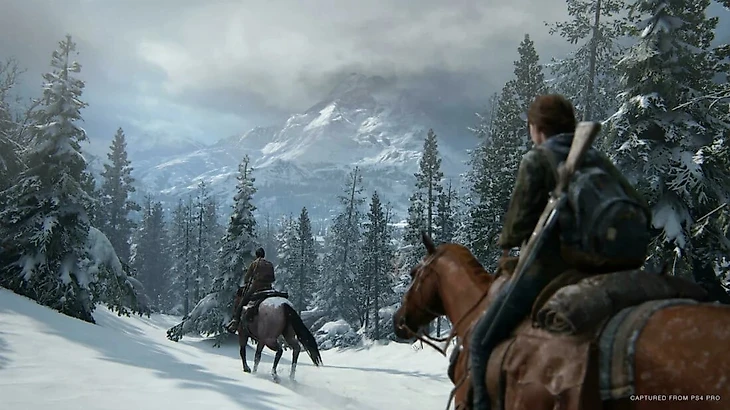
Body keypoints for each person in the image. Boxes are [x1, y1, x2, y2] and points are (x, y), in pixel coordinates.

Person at [468, 94, 650, 410]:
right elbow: (639, 203)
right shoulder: (595, 158)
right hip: (612, 265)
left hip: (554, 268)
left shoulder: (538, 159)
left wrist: (506, 243)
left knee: (480, 340)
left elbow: (518, 226)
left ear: (537, 128)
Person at [225, 247, 276, 333]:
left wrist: (248, 282)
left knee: (243, 301)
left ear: (256, 255)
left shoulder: (254, 263)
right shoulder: (270, 264)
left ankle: (235, 321)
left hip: (257, 286)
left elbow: (247, 277)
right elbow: (273, 278)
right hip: (269, 287)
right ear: (264, 255)